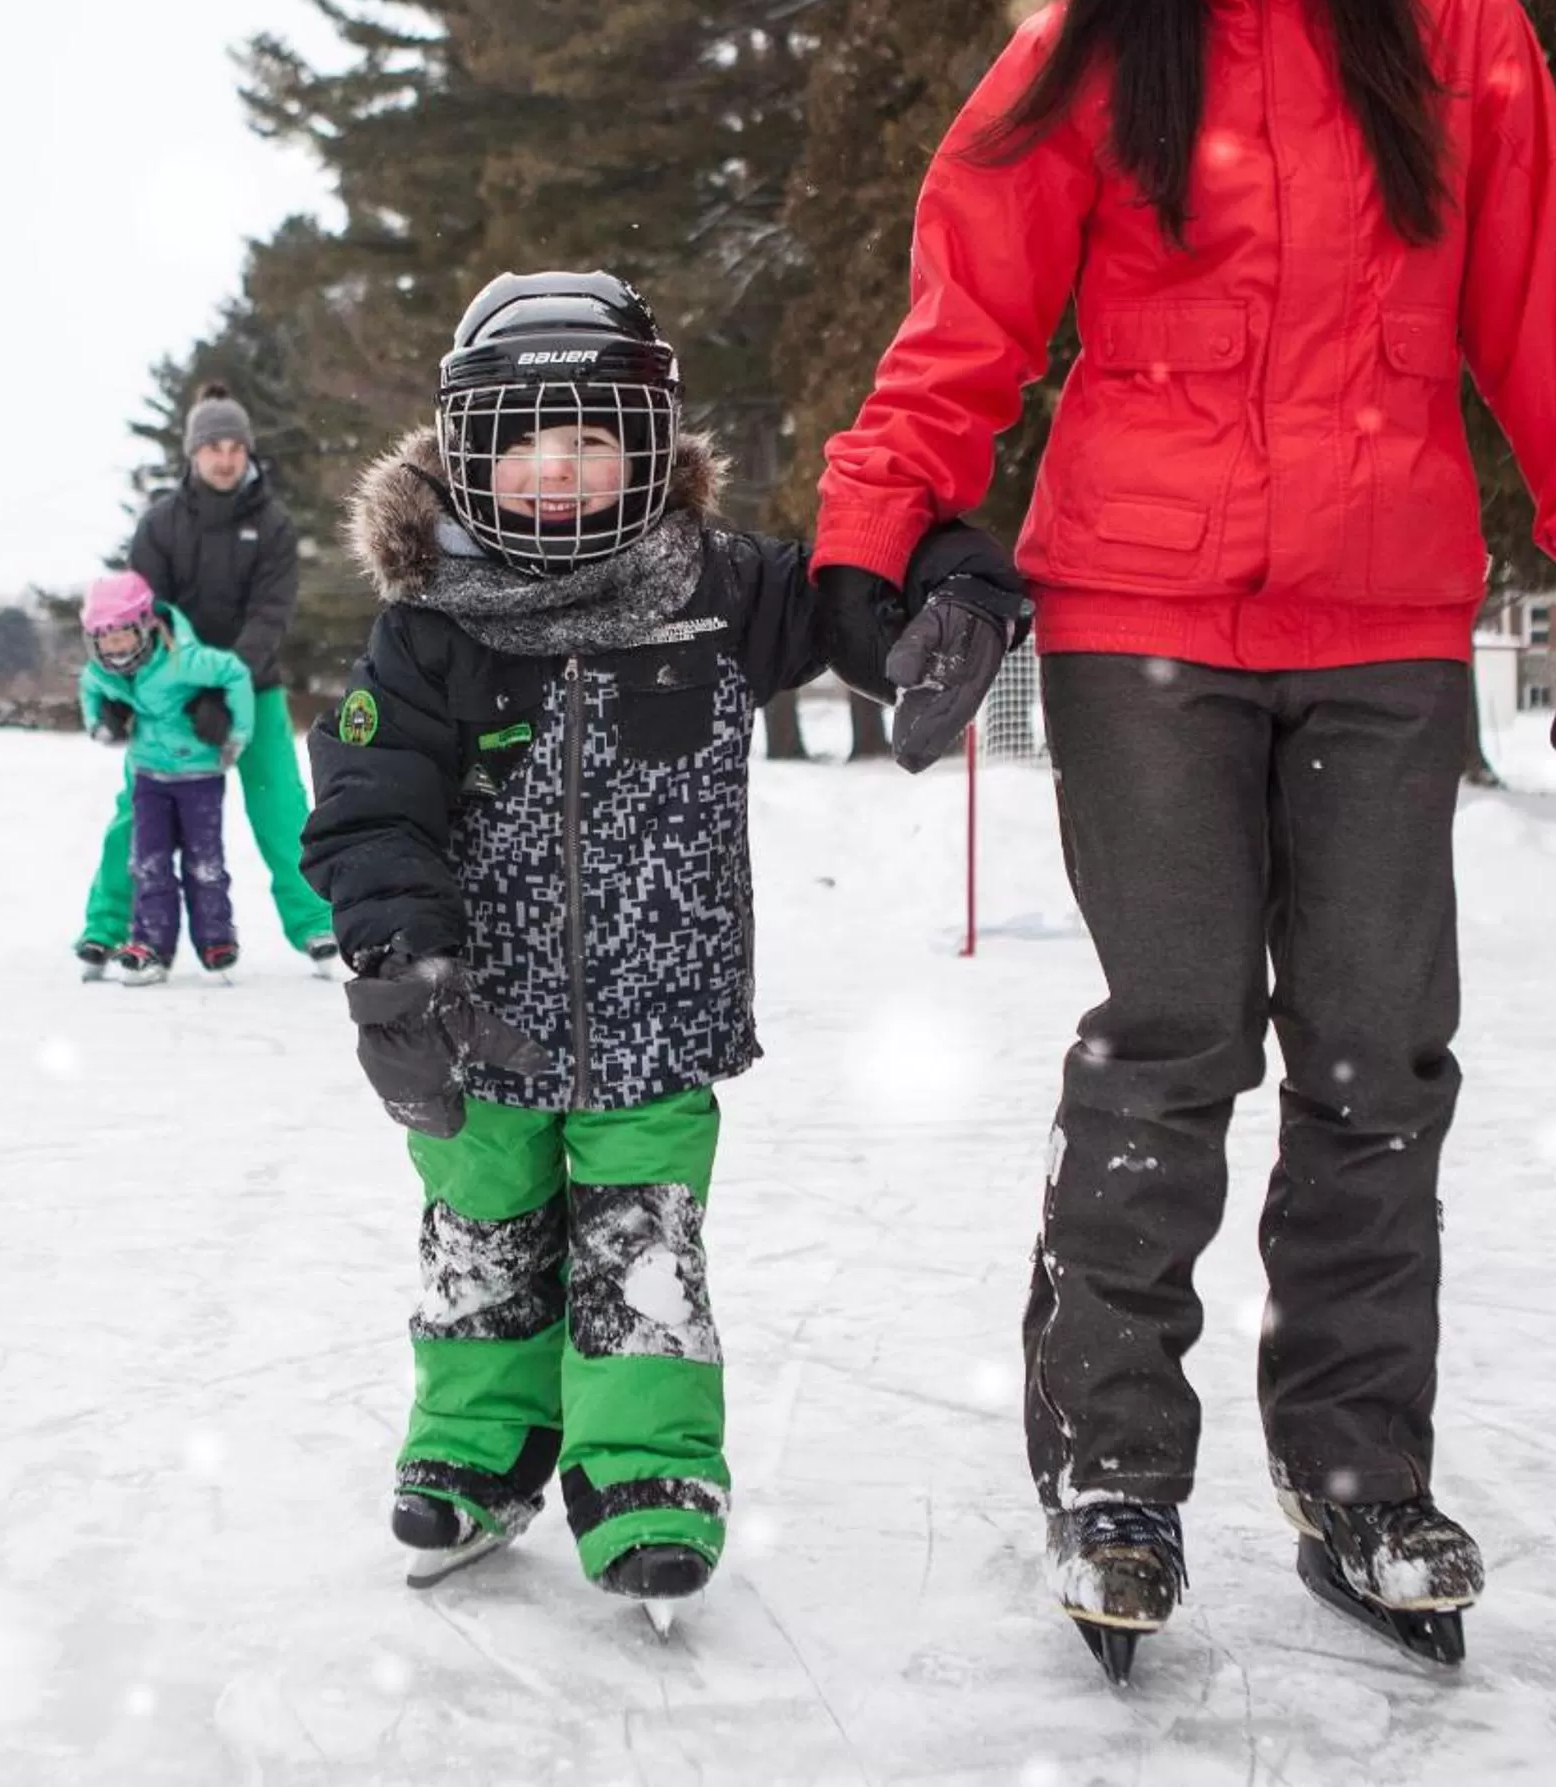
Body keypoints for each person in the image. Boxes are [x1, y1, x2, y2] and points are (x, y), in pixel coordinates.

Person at [807, 0, 1556, 1678]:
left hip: (1382, 630)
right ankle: (1114, 1465)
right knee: (1174, 1038)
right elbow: (962, 329)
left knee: (1379, 1059)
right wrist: (874, 530)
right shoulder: (1090, 52)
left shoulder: (1460, 38)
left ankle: (1359, 1471)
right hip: (1138, 628)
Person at [300, 271, 1022, 1615]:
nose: (558, 472)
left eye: (592, 441)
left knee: (644, 1246)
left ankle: (645, 1470)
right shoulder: (429, 629)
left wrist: (958, 579)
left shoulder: (720, 588)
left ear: (650, 448)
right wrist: (404, 955)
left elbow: (859, 581)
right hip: (478, 1014)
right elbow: (368, 800)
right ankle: (479, 1442)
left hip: (658, 1014)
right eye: (525, 441)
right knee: (483, 1231)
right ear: (467, 451)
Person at [73, 384, 336, 976]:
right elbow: (145, 612)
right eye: (212, 447)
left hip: (255, 686)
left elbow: (272, 612)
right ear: (193, 454)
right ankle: (106, 926)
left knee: (282, 807)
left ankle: (316, 924)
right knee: (138, 809)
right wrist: (123, 699)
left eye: (234, 447)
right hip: (167, 697)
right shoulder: (161, 525)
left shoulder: (272, 526)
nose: (224, 458)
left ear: (248, 453)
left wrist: (227, 686)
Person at [78, 571, 256, 983]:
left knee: (204, 861)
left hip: (199, 776)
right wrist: (98, 722)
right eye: (105, 641)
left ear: (147, 625)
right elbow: (88, 687)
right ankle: (151, 945)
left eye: (122, 636)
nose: (115, 650)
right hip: (148, 778)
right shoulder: (104, 673)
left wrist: (237, 732)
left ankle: (216, 940)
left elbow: (236, 674)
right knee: (149, 863)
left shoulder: (186, 661)